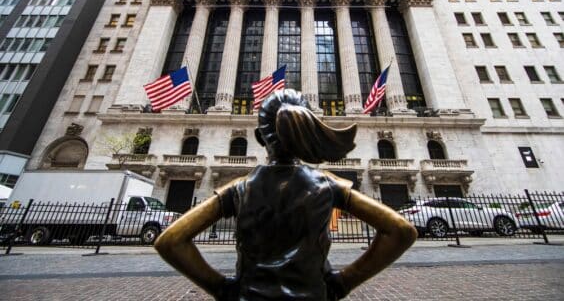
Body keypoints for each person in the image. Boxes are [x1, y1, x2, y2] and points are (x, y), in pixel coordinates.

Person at [155, 89, 417, 300]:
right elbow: (401, 230)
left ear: (259, 137)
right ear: (306, 130)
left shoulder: (239, 189)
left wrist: (222, 289)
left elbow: (170, 242)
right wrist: (343, 283)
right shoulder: (328, 184)